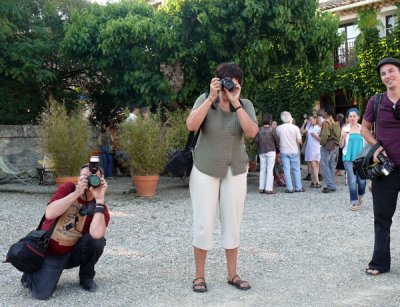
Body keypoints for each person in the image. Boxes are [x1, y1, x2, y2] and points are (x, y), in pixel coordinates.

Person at [186, 62, 258, 292]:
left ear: (240, 84)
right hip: (205, 168)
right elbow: (191, 124)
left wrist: (236, 103)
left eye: (234, 82)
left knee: (232, 222)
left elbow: (252, 132)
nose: (230, 86)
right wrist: (210, 97)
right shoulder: (206, 100)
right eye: (226, 81)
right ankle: (199, 276)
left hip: (235, 169)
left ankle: (232, 274)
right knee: (203, 223)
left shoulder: (244, 105)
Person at [21, 164, 110, 299]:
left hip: (73, 252)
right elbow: (50, 213)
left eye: (93, 177)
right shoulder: (68, 188)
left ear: (101, 180)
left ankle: (86, 277)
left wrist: (100, 200)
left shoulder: (100, 206)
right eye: (85, 177)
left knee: (97, 241)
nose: (89, 180)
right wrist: (77, 193)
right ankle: (33, 270)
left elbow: (97, 235)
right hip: (50, 251)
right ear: (78, 178)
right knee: (41, 294)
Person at [361, 57, 400, 276]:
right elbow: (364, 129)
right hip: (387, 169)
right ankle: (380, 262)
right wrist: (376, 146)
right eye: (383, 73)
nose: (387, 76)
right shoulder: (376, 101)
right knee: (382, 217)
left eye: (391, 71)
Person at [339, 108, 366, 211]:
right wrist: (342, 137)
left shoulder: (362, 128)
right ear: (347, 118)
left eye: (354, 116)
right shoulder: (345, 129)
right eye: (350, 116)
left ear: (358, 117)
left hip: (361, 159)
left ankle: (361, 197)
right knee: (352, 180)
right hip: (348, 158)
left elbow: (367, 145)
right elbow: (341, 146)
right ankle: (354, 202)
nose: (352, 118)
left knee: (362, 181)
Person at [276, 111, 304, 193]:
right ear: (290, 117)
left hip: (283, 150)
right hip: (294, 150)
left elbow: (277, 140)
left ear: (282, 118)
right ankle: (298, 187)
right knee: (296, 169)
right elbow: (299, 140)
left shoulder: (278, 128)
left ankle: (289, 188)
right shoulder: (295, 128)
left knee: (286, 170)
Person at [255, 113, 280, 194]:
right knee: (269, 170)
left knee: (262, 170)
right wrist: (278, 148)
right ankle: (268, 189)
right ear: (270, 120)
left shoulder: (259, 129)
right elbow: (277, 140)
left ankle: (261, 188)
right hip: (271, 150)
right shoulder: (272, 129)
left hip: (261, 151)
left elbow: (256, 141)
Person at [319, 105, 341, 193]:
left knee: (324, 165)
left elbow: (324, 135)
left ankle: (331, 186)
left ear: (326, 113)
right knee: (332, 165)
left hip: (328, 145)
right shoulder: (336, 122)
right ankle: (331, 184)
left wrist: (321, 143)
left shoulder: (326, 122)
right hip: (335, 145)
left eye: (324, 112)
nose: (323, 113)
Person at [301, 115, 321, 188]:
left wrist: (315, 136)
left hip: (317, 147)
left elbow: (322, 140)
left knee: (316, 164)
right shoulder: (309, 127)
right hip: (310, 147)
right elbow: (302, 131)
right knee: (313, 165)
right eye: (309, 120)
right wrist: (304, 123)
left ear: (316, 119)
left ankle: (315, 181)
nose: (310, 121)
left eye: (311, 120)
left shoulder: (319, 128)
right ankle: (315, 182)